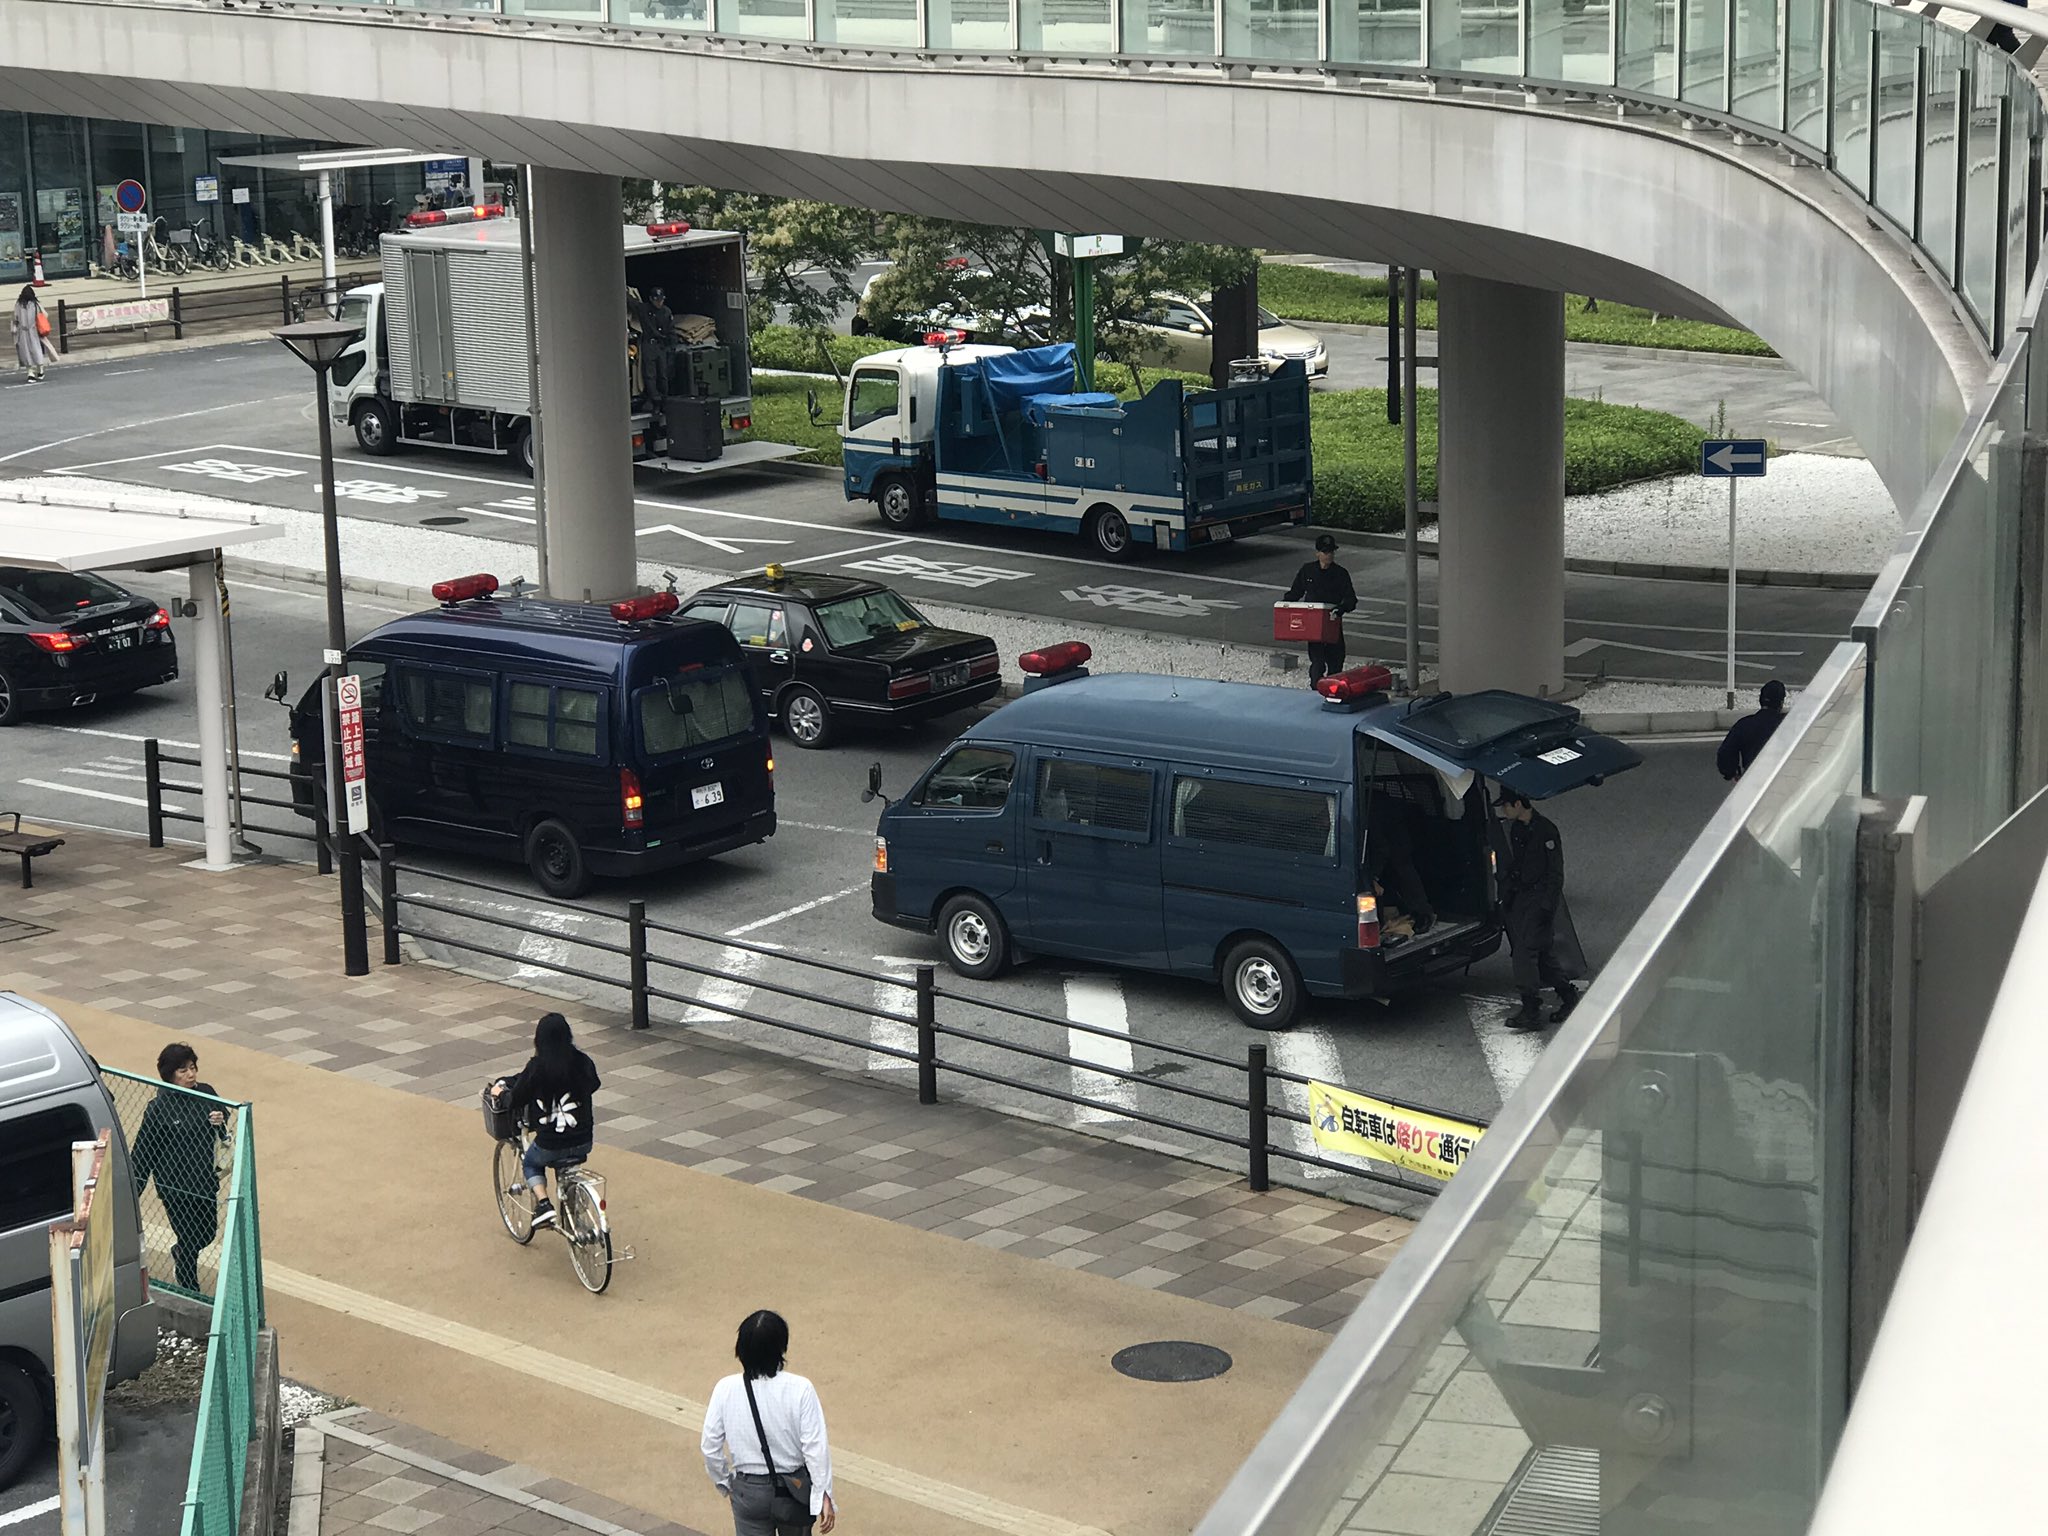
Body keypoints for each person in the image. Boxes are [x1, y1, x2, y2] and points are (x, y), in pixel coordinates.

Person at [702, 1310, 837, 1536]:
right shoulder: (801, 1388)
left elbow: (709, 1446)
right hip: (793, 1489)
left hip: (748, 1491)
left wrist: (725, 1482)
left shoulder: (725, 1388)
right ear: (781, 1347)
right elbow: (815, 1448)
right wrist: (823, 1493)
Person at [130, 1042, 228, 1291]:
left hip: (204, 1181)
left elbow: (223, 1115)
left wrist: (219, 1118)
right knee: (188, 1236)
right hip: (174, 1187)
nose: (190, 1075)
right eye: (182, 1070)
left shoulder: (205, 1092)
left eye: (192, 1068)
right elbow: (144, 1152)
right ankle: (188, 1285)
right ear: (170, 1074)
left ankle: (180, 1255)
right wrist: (134, 1190)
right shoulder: (159, 1109)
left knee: (206, 1233)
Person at [489, 1013, 601, 1230]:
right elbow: (594, 1084)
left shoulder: (538, 1067)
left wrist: (500, 1092)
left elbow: (516, 1097)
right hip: (583, 1140)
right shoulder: (582, 1062)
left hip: (550, 1143)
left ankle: (543, 1205)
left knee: (531, 1162)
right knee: (568, 1162)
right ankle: (574, 1209)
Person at [1495, 788, 1578, 1030]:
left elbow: (1555, 873)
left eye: (1507, 806)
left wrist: (1546, 907)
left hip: (1539, 899)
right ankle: (1568, 994)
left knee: (1525, 953)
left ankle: (1531, 1008)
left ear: (1519, 804)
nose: (1504, 811)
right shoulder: (1517, 830)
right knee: (1542, 954)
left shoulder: (1546, 830)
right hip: (1522, 897)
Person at [1282, 533, 1358, 684]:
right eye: (1325, 552)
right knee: (1317, 662)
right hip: (1313, 624)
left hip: (1332, 622)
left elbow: (1351, 599)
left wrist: (1342, 608)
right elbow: (1296, 592)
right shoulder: (1308, 570)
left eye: (1331, 552)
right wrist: (1285, 607)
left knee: (1336, 660)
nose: (1329, 555)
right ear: (1317, 553)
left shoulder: (1340, 574)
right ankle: (1316, 689)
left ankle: (1333, 690)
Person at [1365, 794, 1435, 935]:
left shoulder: (1370, 815)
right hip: (1387, 831)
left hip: (1393, 837)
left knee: (1404, 869)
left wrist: (1373, 877)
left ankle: (1424, 915)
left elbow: (1381, 848)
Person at [1716, 678, 1788, 782]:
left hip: (1753, 782)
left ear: (1760, 699)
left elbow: (1725, 753)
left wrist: (1732, 773)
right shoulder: (1789, 724)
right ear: (1781, 702)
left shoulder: (1744, 724)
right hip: (1783, 780)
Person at [13, 285, 48, 383]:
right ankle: (40, 370)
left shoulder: (18, 304)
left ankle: (30, 373)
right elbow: (45, 315)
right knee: (37, 350)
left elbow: (15, 318)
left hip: (23, 332)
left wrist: (14, 331)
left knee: (26, 352)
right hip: (34, 331)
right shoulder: (36, 304)